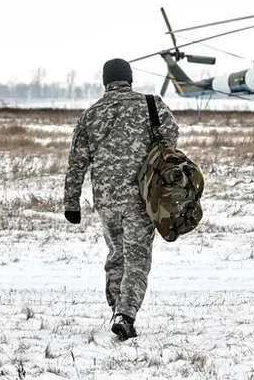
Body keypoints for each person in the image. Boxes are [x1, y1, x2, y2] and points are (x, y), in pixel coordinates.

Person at [64, 58, 180, 340]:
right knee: (137, 258)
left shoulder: (90, 115)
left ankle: (117, 308)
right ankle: (125, 315)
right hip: (142, 199)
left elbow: (76, 162)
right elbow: (171, 137)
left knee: (117, 255)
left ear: (105, 81)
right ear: (130, 79)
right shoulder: (151, 105)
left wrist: (71, 203)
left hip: (107, 201)